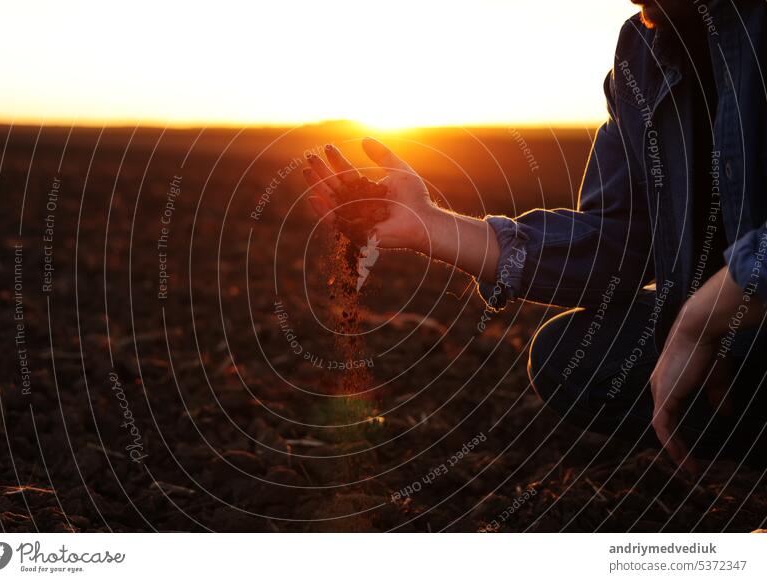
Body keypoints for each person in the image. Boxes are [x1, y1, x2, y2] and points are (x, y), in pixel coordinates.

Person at [304, 0, 767, 471]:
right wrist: (432, 227)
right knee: (572, 356)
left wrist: (704, 316)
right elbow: (618, 240)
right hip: (738, 337)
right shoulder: (644, 52)